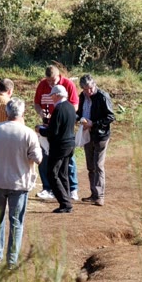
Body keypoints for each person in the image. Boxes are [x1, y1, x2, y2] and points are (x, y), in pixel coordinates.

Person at [0, 98, 44, 264]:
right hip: (19, 184)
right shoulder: (28, 133)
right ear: (23, 113)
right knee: (16, 222)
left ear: (6, 112)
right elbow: (38, 158)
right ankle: (11, 259)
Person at [32, 63, 80, 200]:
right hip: (47, 124)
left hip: (63, 127)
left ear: (59, 76)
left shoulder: (68, 84)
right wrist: (41, 112)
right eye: (48, 81)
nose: (51, 84)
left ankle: (72, 188)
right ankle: (48, 188)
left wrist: (59, 116)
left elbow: (75, 106)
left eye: (53, 81)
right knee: (45, 156)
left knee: (67, 158)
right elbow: (37, 103)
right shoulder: (42, 85)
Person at [37, 85, 78, 214]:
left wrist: (41, 130)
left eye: (52, 96)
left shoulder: (59, 109)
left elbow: (53, 132)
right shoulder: (70, 107)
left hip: (60, 146)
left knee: (52, 173)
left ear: (57, 95)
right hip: (70, 143)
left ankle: (65, 203)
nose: (52, 98)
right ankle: (67, 200)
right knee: (63, 173)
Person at [77, 74, 115, 206]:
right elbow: (80, 112)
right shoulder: (82, 96)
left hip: (101, 135)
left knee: (98, 165)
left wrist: (93, 123)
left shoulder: (103, 96)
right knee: (90, 166)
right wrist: (79, 119)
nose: (89, 91)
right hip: (87, 134)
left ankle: (100, 196)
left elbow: (110, 117)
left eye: (90, 88)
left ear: (94, 85)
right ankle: (94, 194)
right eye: (85, 89)